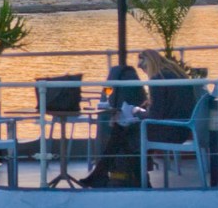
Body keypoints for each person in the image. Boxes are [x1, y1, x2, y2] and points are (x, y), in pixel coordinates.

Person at [79, 50, 194, 188]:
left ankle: (106, 175)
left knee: (122, 132)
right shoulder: (176, 74)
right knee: (124, 133)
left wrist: (136, 111)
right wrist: (147, 107)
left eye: (144, 68)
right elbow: (168, 107)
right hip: (183, 128)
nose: (144, 71)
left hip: (170, 131)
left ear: (150, 63)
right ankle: (130, 178)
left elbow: (155, 116)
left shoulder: (158, 79)